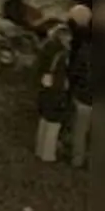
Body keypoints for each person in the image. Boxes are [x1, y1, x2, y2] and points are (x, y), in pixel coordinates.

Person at [35, 22, 71, 162]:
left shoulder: (47, 48)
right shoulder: (62, 55)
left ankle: (40, 149)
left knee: (44, 119)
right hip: (56, 92)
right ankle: (48, 154)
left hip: (45, 89)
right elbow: (60, 78)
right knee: (53, 124)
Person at [66, 5, 94, 169]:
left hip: (83, 96)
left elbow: (75, 70)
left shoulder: (85, 50)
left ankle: (77, 159)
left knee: (80, 130)